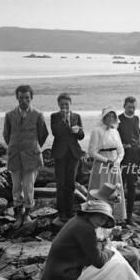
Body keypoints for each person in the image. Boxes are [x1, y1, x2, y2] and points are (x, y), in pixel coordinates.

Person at [40, 200, 140, 280]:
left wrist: (103, 247)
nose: (102, 221)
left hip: (57, 273)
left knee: (113, 264)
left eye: (105, 218)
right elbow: (98, 261)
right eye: (100, 216)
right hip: (64, 277)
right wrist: (107, 248)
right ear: (91, 213)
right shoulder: (85, 228)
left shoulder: (78, 221)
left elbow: (93, 252)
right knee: (118, 267)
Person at [3, 84, 49, 228]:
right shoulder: (9, 115)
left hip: (31, 156)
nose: (24, 100)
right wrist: (14, 146)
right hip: (15, 155)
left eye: (27, 97)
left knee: (28, 187)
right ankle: (18, 215)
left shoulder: (38, 115)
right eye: (21, 97)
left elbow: (43, 135)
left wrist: (33, 147)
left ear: (31, 98)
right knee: (16, 187)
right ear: (17, 98)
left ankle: (27, 214)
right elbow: (6, 135)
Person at [87, 107, 126, 222]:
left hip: (114, 164)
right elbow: (92, 151)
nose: (110, 118)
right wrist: (106, 160)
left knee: (115, 189)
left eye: (113, 116)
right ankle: (100, 216)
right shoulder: (96, 131)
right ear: (103, 117)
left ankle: (116, 216)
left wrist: (117, 162)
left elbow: (121, 150)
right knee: (102, 189)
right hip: (102, 164)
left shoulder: (115, 131)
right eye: (108, 116)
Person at [50, 93, 85, 222]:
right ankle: (61, 212)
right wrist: (64, 121)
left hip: (73, 153)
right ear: (58, 105)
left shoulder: (77, 116)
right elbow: (56, 133)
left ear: (70, 104)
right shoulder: (54, 116)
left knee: (70, 183)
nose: (64, 106)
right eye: (62, 104)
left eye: (66, 104)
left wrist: (78, 131)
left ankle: (70, 211)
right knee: (61, 183)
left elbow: (81, 136)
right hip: (60, 153)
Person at [117, 96, 140, 224]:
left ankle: (129, 215)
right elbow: (113, 135)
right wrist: (120, 145)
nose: (131, 110)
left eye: (134, 107)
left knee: (132, 185)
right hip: (122, 157)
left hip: (135, 155)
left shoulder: (138, 119)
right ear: (124, 106)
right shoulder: (118, 119)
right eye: (129, 107)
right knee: (119, 185)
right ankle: (119, 213)